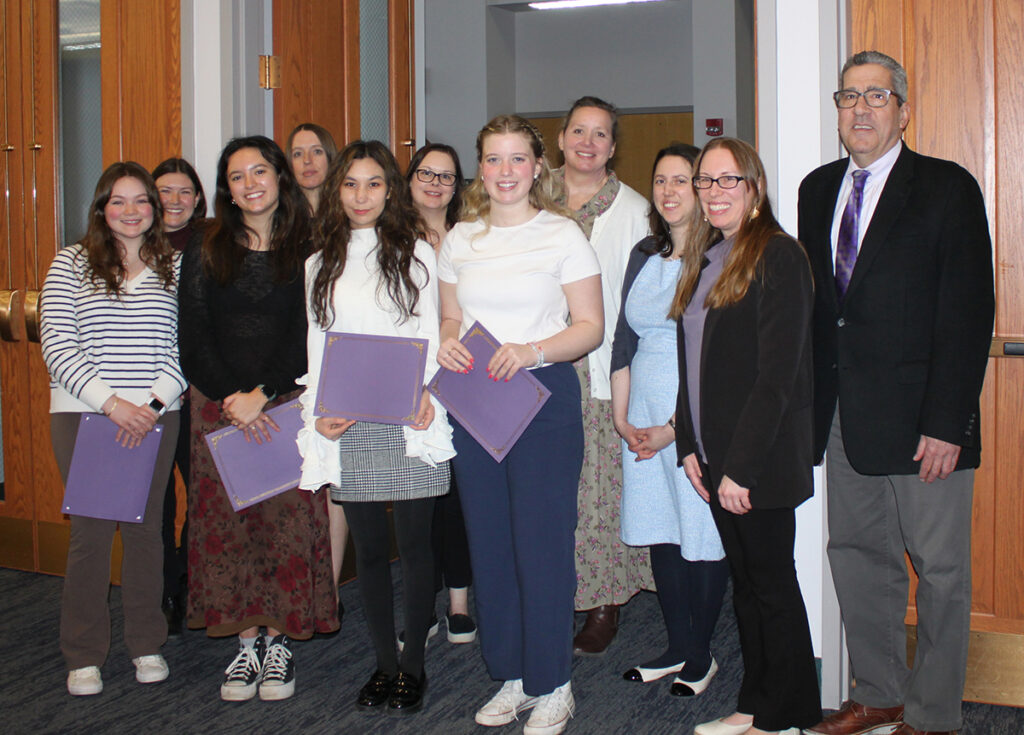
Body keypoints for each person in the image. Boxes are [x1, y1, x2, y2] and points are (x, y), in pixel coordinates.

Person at [799, 51, 994, 735]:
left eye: (876, 96)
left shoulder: (946, 187)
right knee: (856, 556)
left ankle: (933, 714)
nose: (860, 110)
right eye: (848, 97)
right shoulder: (817, 189)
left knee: (939, 571)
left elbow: (969, 313)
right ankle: (878, 690)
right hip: (844, 417)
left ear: (903, 110)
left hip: (924, 422)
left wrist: (949, 422)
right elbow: (825, 310)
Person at [437, 114, 603, 735]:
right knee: (491, 542)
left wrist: (532, 349)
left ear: (538, 167)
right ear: (482, 168)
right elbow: (450, 318)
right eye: (494, 160)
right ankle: (510, 674)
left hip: (542, 396)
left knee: (542, 543)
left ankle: (552, 681)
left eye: (517, 159)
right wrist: (447, 342)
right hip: (477, 400)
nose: (505, 172)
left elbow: (591, 327)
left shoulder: (563, 235)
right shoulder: (461, 238)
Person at [297, 140, 455, 715]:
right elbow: (317, 346)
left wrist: (429, 392)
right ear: (337, 191)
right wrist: (319, 412)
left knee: (413, 549)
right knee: (367, 551)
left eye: (373, 184)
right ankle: (383, 664)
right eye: (350, 184)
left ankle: (413, 667)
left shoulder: (418, 253)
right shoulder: (320, 262)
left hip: (408, 413)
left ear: (391, 189)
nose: (361, 196)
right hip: (349, 418)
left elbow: (437, 332)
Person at [178, 135, 338, 703]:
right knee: (231, 528)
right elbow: (192, 337)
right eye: (237, 175)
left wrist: (263, 394)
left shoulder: (313, 243)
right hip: (218, 410)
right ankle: (246, 645)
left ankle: (279, 641)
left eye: (259, 171)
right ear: (227, 188)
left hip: (287, 406)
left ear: (280, 177)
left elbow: (309, 332)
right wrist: (232, 399)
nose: (249, 184)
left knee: (284, 525)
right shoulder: (205, 244)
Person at [670, 138, 820, 735]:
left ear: (754, 188)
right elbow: (692, 362)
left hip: (756, 464)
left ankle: (785, 714)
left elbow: (778, 377)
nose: (713, 193)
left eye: (727, 181)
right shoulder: (707, 257)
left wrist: (741, 469)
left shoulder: (779, 256)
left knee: (772, 587)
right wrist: (688, 444)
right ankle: (756, 705)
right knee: (748, 589)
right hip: (713, 457)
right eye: (705, 182)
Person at [40, 161, 186, 696]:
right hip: (84, 413)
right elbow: (57, 343)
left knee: (148, 531)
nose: (130, 211)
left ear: (155, 207)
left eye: (140, 200)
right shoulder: (70, 262)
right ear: (102, 208)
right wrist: (110, 404)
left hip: (155, 415)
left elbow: (182, 349)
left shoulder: (173, 265)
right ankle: (83, 653)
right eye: (117, 201)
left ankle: (146, 643)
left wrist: (148, 404)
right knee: (92, 532)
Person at [610, 143, 728, 696]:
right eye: (661, 180)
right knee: (662, 530)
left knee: (699, 533)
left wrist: (675, 430)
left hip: (694, 417)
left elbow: (718, 355)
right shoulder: (643, 251)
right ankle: (677, 645)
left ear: (703, 190)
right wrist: (620, 415)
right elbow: (623, 339)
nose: (669, 191)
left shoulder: (719, 256)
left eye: (683, 180)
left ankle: (702, 656)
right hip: (641, 411)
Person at [551, 96, 653, 655]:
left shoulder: (634, 211)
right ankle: (554, 590)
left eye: (600, 135)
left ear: (613, 148)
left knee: (597, 494)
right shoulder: (533, 200)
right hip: (537, 370)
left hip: (599, 372)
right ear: (561, 139)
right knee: (552, 493)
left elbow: (639, 302)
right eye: (578, 132)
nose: (588, 143)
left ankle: (602, 600)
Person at [404, 143, 477, 646]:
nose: (435, 183)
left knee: (457, 497)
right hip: (410, 378)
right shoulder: (388, 238)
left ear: (458, 186)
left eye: (447, 176)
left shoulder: (472, 237)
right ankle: (420, 604)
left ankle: (459, 602)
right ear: (409, 179)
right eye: (426, 173)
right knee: (417, 498)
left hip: (463, 374)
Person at [285, 122, 349, 614]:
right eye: (297, 153)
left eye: (316, 152)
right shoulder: (278, 220)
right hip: (284, 365)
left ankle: (324, 591)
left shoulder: (347, 218)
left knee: (337, 484)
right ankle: (291, 587)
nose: (307, 162)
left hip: (334, 361)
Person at [151, 156, 208, 636]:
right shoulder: (131, 244)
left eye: (184, 191)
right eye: (164, 191)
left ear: (198, 198)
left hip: (194, 391)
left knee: (201, 493)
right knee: (157, 498)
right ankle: (164, 588)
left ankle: (190, 582)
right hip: (142, 396)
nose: (174, 201)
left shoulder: (210, 244)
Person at [287, 122, 338, 214]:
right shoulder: (280, 219)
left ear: (330, 158)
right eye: (298, 154)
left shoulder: (348, 215)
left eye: (317, 151)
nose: (307, 160)